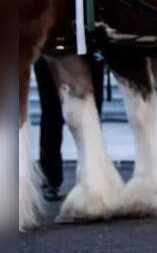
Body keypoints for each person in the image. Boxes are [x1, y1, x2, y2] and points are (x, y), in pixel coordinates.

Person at [34, 56, 105, 201]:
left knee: (92, 113)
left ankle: (93, 173)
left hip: (86, 45)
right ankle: (50, 179)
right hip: (52, 51)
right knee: (51, 112)